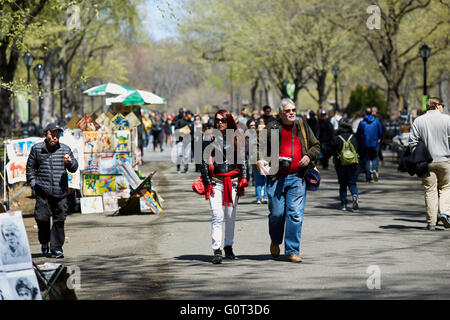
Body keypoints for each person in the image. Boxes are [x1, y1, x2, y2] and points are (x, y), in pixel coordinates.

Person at [256, 98, 320, 263]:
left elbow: (316, 146)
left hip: (298, 177)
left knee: (295, 215)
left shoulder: (302, 127)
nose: (292, 113)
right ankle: (275, 240)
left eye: (293, 110)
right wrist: (259, 160)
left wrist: (308, 156)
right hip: (276, 177)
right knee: (277, 214)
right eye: (288, 111)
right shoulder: (272, 128)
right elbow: (259, 147)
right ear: (280, 113)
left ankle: (292, 250)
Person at [201, 109, 248, 264]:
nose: (219, 123)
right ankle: (217, 250)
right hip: (216, 182)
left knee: (229, 217)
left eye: (223, 120)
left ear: (229, 121)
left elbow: (243, 160)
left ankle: (228, 246)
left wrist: (244, 178)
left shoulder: (237, 137)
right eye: (217, 120)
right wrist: (207, 182)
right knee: (217, 215)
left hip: (233, 182)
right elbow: (203, 162)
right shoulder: (210, 137)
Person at [26, 123, 78, 258]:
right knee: (42, 219)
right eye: (52, 134)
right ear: (46, 134)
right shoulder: (37, 149)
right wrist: (34, 184)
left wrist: (70, 162)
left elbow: (74, 168)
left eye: (57, 134)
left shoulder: (65, 149)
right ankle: (44, 241)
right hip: (42, 192)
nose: (55, 137)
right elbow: (30, 169)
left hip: (60, 192)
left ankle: (56, 248)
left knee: (59, 220)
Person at [409, 97, 450, 230]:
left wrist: (418, 156)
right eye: (442, 105)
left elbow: (412, 142)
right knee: (446, 187)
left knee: (430, 190)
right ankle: (445, 213)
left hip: (426, 162)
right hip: (445, 160)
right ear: (437, 106)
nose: (443, 107)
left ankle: (431, 222)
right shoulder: (447, 119)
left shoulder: (419, 121)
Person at [330, 119, 361, 211]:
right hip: (353, 163)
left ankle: (343, 204)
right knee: (352, 183)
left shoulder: (337, 138)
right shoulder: (354, 137)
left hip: (341, 164)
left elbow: (332, 151)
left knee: (343, 185)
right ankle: (354, 195)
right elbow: (358, 149)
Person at [356, 107, 383, 182]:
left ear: (365, 113)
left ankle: (368, 177)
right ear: (372, 113)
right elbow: (380, 132)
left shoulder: (362, 122)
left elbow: (358, 133)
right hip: (375, 143)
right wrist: (379, 138)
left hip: (365, 143)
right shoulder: (377, 122)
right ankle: (374, 170)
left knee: (367, 159)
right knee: (375, 158)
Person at [247, 119, 267, 204]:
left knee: (259, 181)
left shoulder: (253, 139)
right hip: (264, 162)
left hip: (256, 162)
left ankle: (259, 198)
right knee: (265, 181)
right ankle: (265, 197)